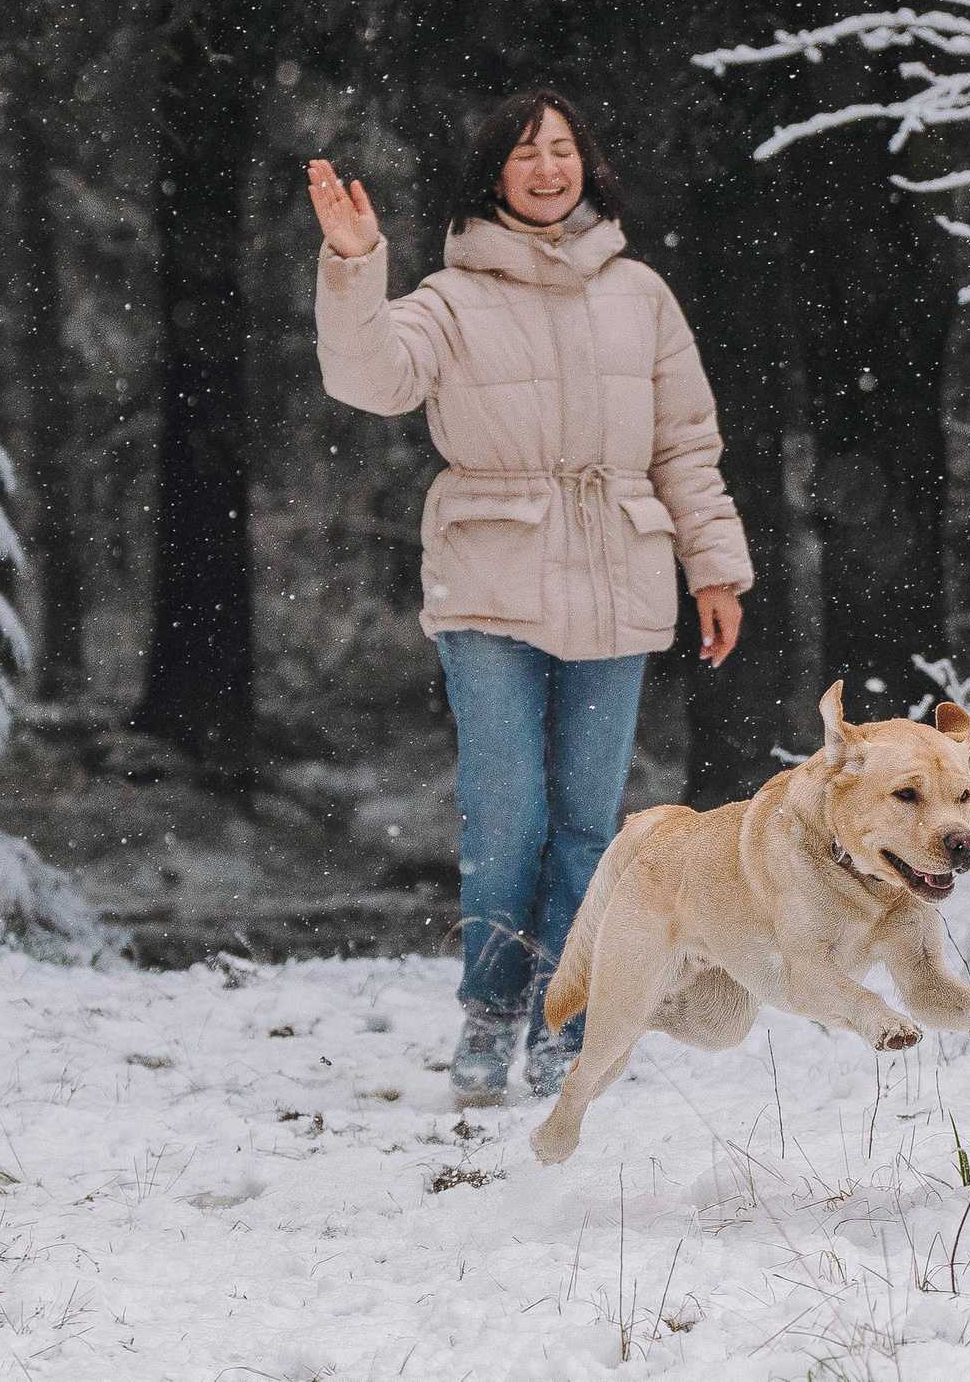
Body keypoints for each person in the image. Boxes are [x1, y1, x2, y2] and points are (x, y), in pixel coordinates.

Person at [306, 89, 752, 1108]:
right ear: (493, 176)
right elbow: (369, 378)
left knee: (589, 825)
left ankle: (567, 1016)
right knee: (506, 815)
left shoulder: (641, 294)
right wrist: (354, 266)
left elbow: (686, 445)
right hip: (491, 583)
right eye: (524, 154)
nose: (547, 169)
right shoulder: (449, 299)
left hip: (619, 578)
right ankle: (490, 1010)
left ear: (585, 165)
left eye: (561, 150)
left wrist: (715, 568)